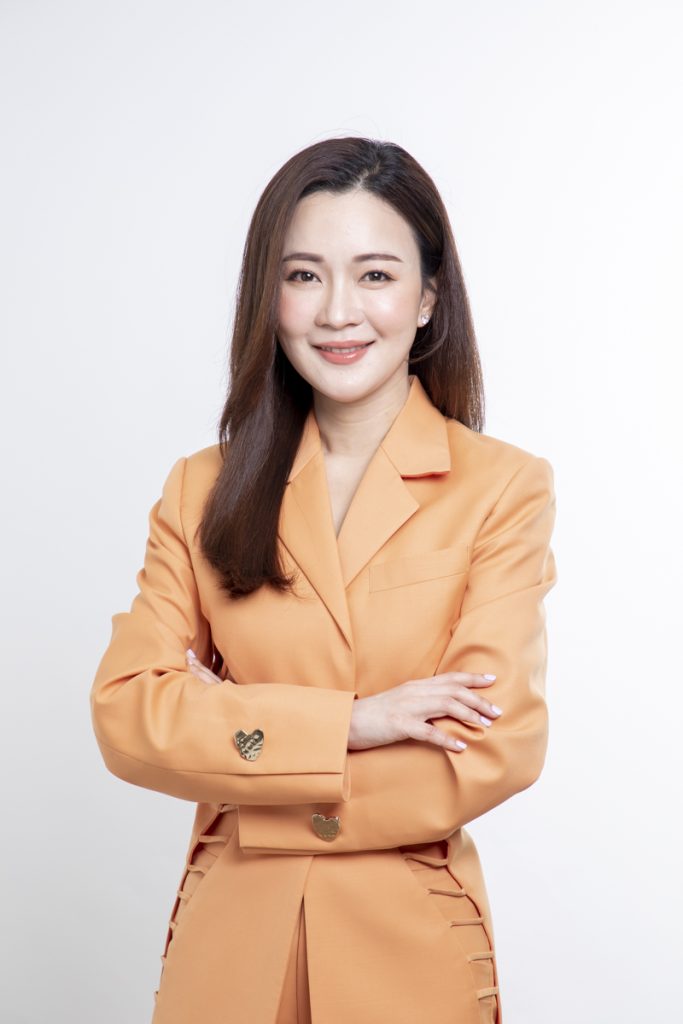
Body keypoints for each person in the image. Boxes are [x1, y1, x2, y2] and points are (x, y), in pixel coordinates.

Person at [89, 136, 558, 1024]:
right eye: (303, 276)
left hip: (407, 952)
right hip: (228, 955)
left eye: (375, 275)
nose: (338, 311)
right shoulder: (201, 487)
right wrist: (355, 722)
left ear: (428, 297)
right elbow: (128, 713)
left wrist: (247, 771)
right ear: (267, 296)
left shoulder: (500, 486)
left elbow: (493, 747)